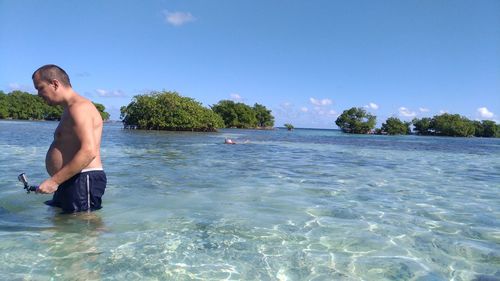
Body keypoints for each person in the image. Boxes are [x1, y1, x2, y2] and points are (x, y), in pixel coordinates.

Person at [32, 64, 106, 213]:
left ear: (55, 83)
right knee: (64, 229)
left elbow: (89, 150)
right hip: (70, 178)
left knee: (83, 228)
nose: (39, 94)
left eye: (40, 88)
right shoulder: (69, 109)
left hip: (82, 179)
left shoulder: (79, 108)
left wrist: (54, 181)